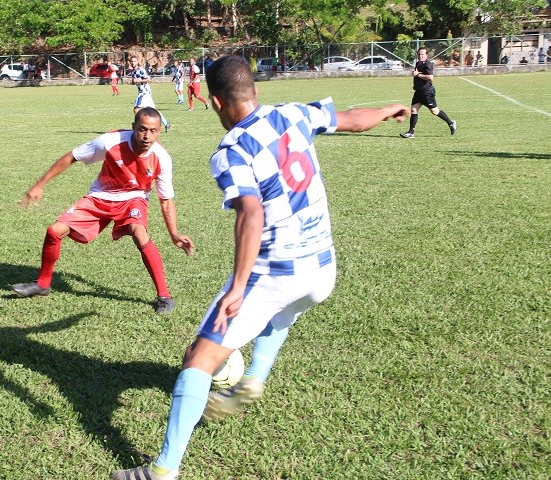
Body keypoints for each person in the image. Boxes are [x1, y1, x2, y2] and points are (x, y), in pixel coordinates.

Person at [110, 54, 410, 480]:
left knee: (198, 359)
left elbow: (251, 213)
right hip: (323, 269)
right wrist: (388, 109)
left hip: (276, 271)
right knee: (282, 312)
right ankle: (253, 378)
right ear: (255, 90)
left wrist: (237, 287)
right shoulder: (294, 113)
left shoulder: (231, 150)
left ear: (215, 102)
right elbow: (354, 119)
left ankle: (162, 471)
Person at [11, 107, 194, 314]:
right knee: (54, 231)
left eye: (153, 131)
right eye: (142, 129)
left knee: (138, 232)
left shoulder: (162, 158)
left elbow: (166, 200)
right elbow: (72, 156)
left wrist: (174, 234)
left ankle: (164, 296)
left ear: (160, 131)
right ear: (134, 127)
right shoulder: (110, 142)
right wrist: (39, 184)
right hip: (101, 195)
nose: (147, 136)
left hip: (134, 198)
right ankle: (43, 284)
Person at [399, 47, 457, 139]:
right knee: (414, 110)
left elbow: (430, 77)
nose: (420, 56)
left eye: (422, 54)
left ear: (426, 55)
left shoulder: (428, 64)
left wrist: (417, 75)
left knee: (434, 111)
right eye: (419, 54)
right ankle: (411, 132)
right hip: (418, 92)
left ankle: (451, 123)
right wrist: (416, 83)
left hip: (427, 92)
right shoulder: (418, 63)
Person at [129, 56, 171, 133]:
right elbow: (134, 82)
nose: (133, 63)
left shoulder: (141, 70)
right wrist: (132, 82)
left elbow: (148, 79)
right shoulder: (133, 71)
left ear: (137, 62)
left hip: (144, 92)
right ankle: (166, 123)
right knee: (153, 110)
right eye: (131, 61)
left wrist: (139, 80)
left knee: (136, 109)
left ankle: (139, 126)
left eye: (134, 61)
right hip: (142, 92)